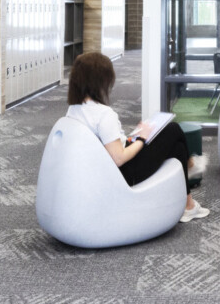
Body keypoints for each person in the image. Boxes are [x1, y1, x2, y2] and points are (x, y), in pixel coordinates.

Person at [66, 52, 208, 223]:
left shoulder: (73, 110)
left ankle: (188, 205)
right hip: (123, 175)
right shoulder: (103, 114)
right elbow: (119, 158)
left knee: (176, 147)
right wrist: (141, 139)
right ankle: (190, 165)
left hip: (100, 171)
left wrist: (133, 138)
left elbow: (106, 146)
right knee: (173, 129)